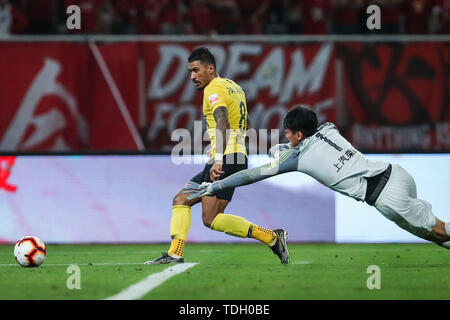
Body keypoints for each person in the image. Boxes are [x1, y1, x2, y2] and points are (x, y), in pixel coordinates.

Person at [183, 105, 450, 250]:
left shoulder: (297, 158)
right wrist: (274, 147)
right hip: (396, 173)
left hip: (384, 194)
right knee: (433, 234)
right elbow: (290, 151)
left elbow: (252, 175)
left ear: (299, 134)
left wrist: (214, 186)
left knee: (437, 230)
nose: (286, 136)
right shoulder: (328, 128)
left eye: (288, 132)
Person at [145, 47, 289, 265]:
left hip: (225, 158)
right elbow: (246, 123)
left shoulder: (213, 89)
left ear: (210, 68)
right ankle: (271, 237)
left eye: (196, 70)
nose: (192, 77)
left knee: (191, 206)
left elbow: (222, 121)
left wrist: (219, 158)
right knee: (203, 211)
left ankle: (176, 253)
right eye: (190, 72)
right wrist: (265, 148)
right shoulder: (235, 87)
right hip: (238, 158)